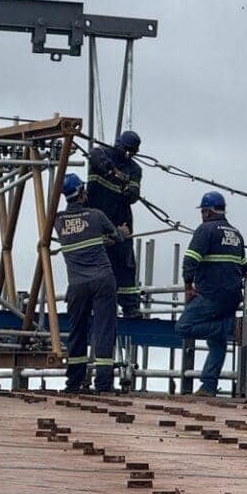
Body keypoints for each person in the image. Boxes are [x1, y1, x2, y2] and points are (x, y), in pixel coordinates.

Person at [54, 173, 125, 393]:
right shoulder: (96, 216)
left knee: (77, 331)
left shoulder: (57, 221)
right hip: (102, 280)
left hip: (77, 284)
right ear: (82, 193)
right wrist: (120, 233)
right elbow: (117, 237)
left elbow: (78, 236)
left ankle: (73, 382)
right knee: (104, 330)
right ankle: (103, 383)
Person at [175, 191, 247, 396]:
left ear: (207, 212)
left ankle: (230, 327)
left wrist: (188, 287)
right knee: (217, 343)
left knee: (183, 327)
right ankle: (208, 386)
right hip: (233, 296)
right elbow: (244, 267)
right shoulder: (236, 234)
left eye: (203, 211)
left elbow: (190, 259)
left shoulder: (205, 230)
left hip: (211, 294)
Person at [87, 130, 144, 317]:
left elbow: (133, 193)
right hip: (96, 215)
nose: (128, 154)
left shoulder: (134, 169)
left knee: (124, 261)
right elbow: (96, 158)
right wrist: (113, 172)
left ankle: (130, 305)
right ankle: (92, 302)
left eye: (131, 151)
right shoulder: (100, 153)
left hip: (121, 219)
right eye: (126, 150)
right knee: (95, 260)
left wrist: (128, 188)